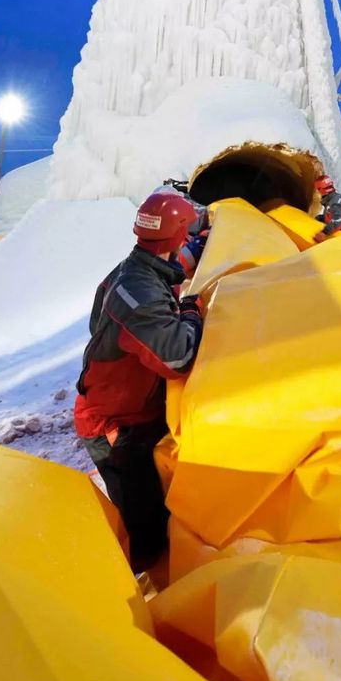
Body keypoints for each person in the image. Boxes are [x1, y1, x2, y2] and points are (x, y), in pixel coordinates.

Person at [74, 191, 204, 569]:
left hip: (129, 410)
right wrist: (190, 311)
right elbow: (178, 355)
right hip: (113, 426)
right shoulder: (141, 293)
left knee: (155, 504)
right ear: (178, 234)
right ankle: (138, 597)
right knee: (144, 527)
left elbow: (184, 260)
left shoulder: (137, 269)